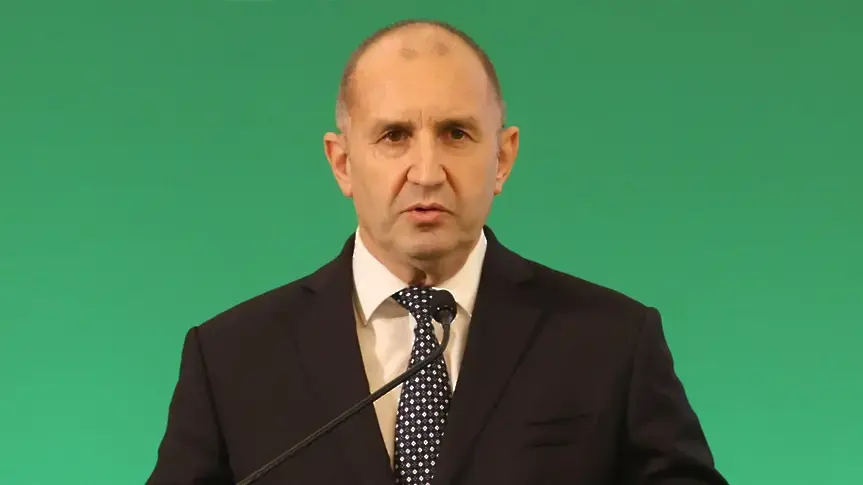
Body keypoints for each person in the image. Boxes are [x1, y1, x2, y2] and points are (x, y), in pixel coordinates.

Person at [146, 19, 729, 485]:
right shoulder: (231, 359)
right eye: (394, 136)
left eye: (456, 134)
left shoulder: (612, 342)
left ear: (502, 158)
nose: (426, 172)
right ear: (342, 163)